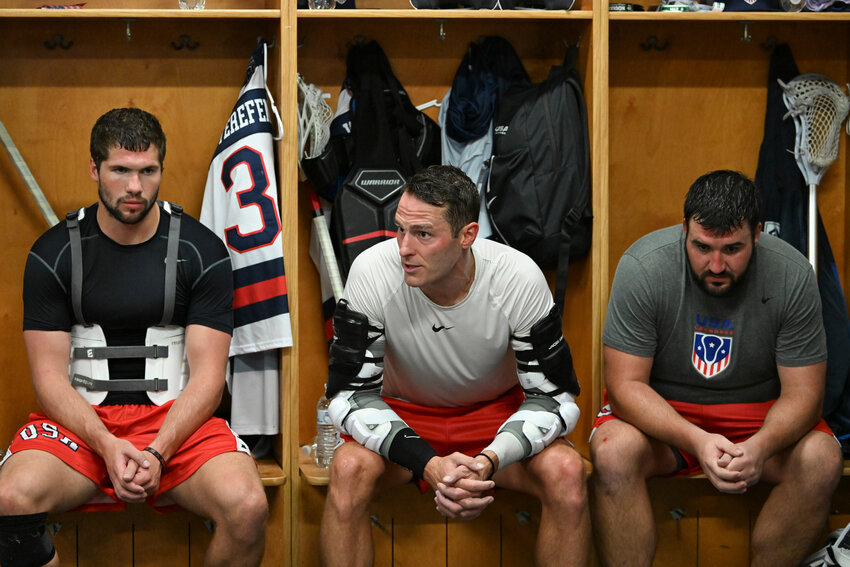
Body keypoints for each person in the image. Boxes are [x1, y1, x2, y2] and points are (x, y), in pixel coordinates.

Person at [0, 108, 268, 567]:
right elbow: (48, 378)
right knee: (8, 498)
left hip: (174, 426)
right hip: (82, 427)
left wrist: (158, 452)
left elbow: (208, 376)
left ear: (161, 168)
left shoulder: (200, 250)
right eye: (120, 170)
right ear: (94, 169)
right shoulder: (53, 252)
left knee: (248, 506)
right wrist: (106, 444)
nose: (135, 187)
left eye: (148, 171)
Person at [318, 164, 590, 567]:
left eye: (423, 234)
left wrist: (488, 461)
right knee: (348, 468)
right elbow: (348, 396)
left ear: (467, 236)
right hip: (404, 415)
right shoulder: (373, 270)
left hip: (494, 417)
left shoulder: (517, 277)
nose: (404, 248)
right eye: (400, 229)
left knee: (567, 470)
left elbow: (554, 400)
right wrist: (428, 464)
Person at [590, 170, 843, 567]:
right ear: (685, 229)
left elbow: (805, 395)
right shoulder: (644, 266)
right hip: (668, 415)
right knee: (612, 451)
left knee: (823, 458)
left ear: (757, 234)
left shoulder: (792, 274)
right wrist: (697, 440)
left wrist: (759, 448)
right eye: (702, 247)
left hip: (760, 417)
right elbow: (624, 387)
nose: (717, 264)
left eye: (733, 248)